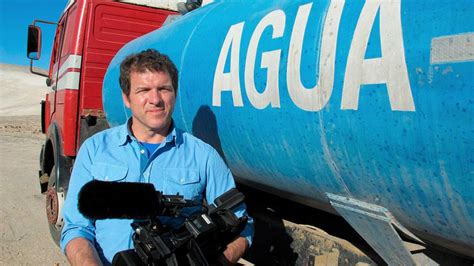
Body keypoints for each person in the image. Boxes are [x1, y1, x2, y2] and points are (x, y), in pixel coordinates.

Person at [60, 49, 253, 265]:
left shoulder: (204, 156)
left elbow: (242, 225)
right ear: (126, 98)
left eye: (164, 89)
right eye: (143, 90)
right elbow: (77, 228)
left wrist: (216, 262)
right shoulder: (95, 149)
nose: (155, 99)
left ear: (175, 93)